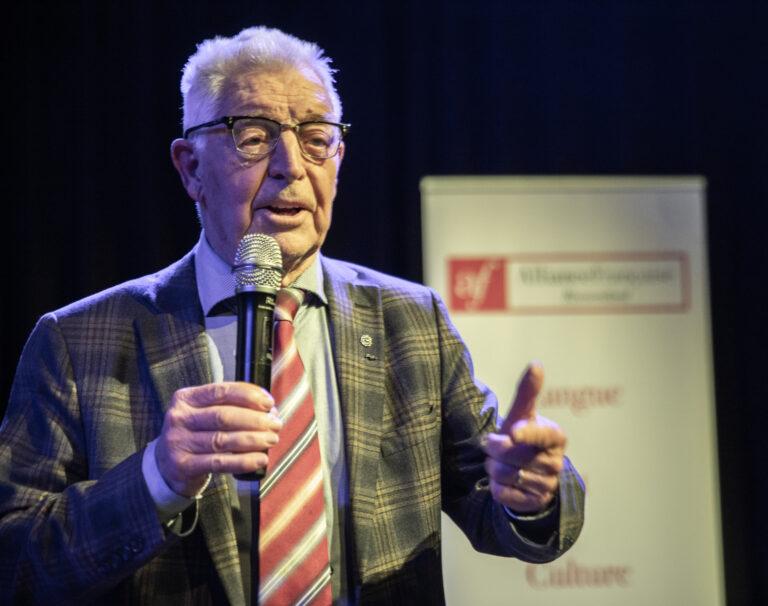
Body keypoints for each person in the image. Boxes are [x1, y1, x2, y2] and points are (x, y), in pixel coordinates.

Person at [0, 26, 584, 605]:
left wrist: (533, 493)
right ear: (191, 168)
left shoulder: (412, 321)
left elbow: (497, 502)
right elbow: (14, 561)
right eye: (253, 137)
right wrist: (158, 478)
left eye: (316, 138)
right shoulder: (78, 341)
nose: (291, 166)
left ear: (338, 159)